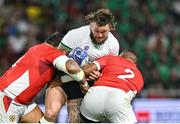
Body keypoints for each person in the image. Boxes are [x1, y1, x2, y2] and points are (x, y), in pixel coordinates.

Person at [44, 8, 120, 123]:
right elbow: (57, 57)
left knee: (75, 121)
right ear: (91, 25)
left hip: (82, 85)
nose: (99, 35)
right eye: (96, 31)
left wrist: (100, 75)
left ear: (110, 27)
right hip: (61, 78)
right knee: (50, 114)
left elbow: (110, 73)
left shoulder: (113, 45)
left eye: (103, 32)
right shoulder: (76, 35)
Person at [0, 32, 87, 123]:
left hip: (24, 102)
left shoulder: (38, 48)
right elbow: (72, 68)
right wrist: (84, 83)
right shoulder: (52, 52)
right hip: (8, 99)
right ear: (62, 47)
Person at [80, 50, 144, 123]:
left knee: (86, 118)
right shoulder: (140, 77)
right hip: (118, 100)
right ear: (135, 63)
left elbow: (84, 71)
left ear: (120, 55)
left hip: (94, 96)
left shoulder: (111, 58)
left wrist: (97, 77)